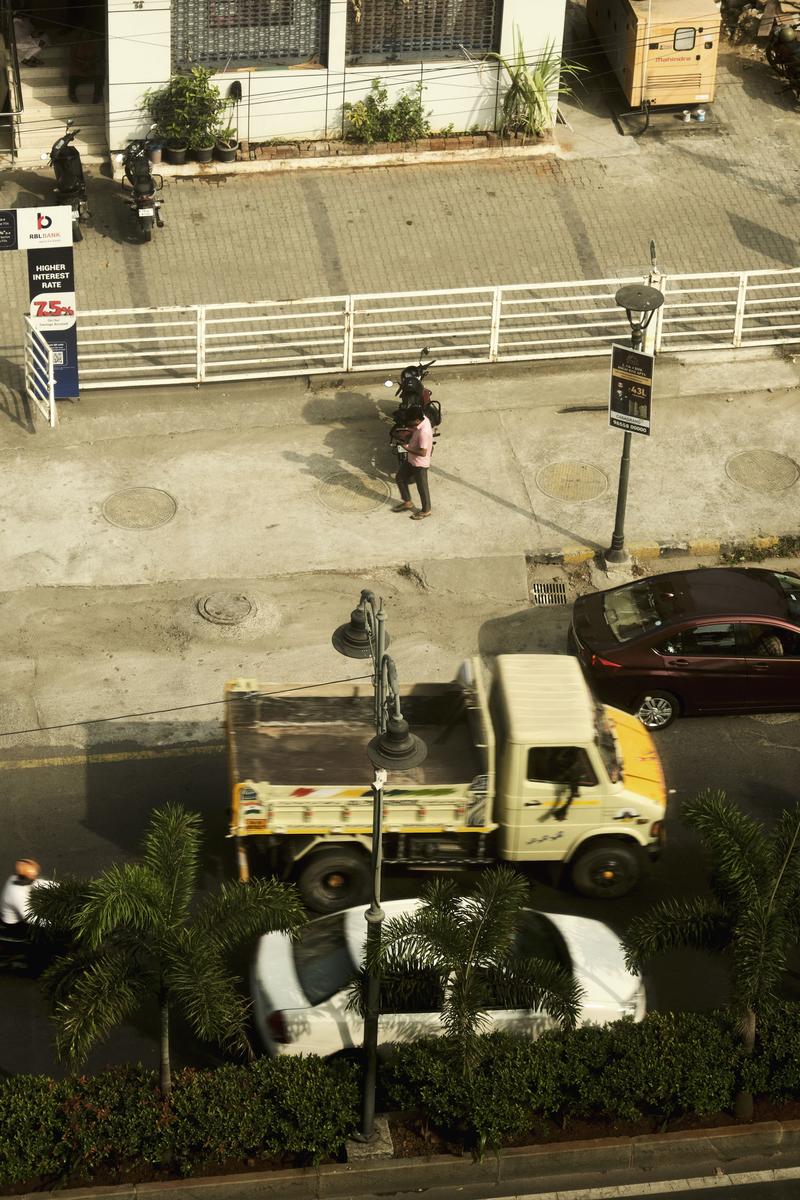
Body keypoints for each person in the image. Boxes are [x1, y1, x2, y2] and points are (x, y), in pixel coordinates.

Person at [391, 404, 433, 520]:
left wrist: (406, 447)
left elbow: (423, 452)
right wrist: (409, 430)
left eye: (410, 422)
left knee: (422, 488)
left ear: (417, 420)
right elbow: (414, 428)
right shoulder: (423, 418)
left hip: (419, 463)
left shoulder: (424, 433)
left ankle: (426, 510)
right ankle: (407, 502)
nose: (409, 424)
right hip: (411, 459)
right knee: (400, 477)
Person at [1, 859, 45, 937]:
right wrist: (53, 924)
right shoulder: (17, 893)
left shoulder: (15, 878)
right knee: (38, 935)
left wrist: (57, 886)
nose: (34, 878)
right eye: (33, 877)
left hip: (18, 911)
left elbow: (37, 882)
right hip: (13, 923)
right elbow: (30, 918)